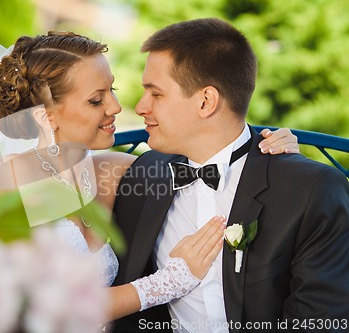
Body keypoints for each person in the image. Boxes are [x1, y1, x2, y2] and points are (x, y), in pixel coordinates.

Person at [0, 31, 299, 323]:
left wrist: (270, 146)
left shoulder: (110, 169)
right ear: (44, 116)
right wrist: (170, 281)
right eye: (95, 99)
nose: (117, 107)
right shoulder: (11, 183)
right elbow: (37, 308)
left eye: (112, 90)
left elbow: (207, 146)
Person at [111, 18, 349, 333]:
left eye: (155, 94)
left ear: (206, 101)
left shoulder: (310, 191)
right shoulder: (139, 174)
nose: (140, 107)